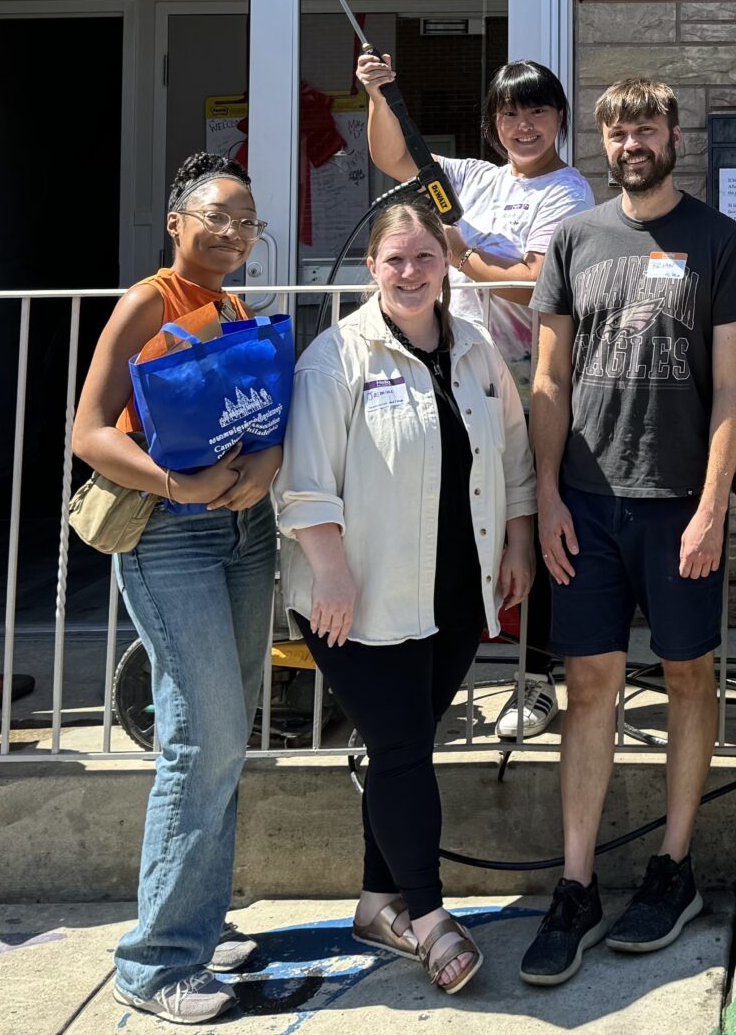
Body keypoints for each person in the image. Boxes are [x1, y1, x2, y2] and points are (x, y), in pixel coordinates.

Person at [519, 78, 736, 987]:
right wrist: (544, 495)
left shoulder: (721, 243)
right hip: (585, 501)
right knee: (589, 686)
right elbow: (548, 381)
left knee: (689, 673)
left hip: (678, 505)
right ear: (605, 142)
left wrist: (711, 506)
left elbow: (733, 393)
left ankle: (673, 868)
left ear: (673, 136)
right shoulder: (574, 240)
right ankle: (577, 883)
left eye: (646, 127)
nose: (631, 142)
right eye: (617, 130)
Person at [275, 201, 537, 994]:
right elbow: (306, 484)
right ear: (372, 270)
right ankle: (428, 918)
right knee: (398, 747)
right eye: (396, 260)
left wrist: (519, 541)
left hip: (455, 592)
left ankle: (376, 901)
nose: (413, 272)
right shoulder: (337, 357)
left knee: (404, 749)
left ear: (446, 262)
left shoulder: (477, 348)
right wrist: (332, 574)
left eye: (425, 257)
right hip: (358, 596)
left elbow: (515, 451)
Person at [71, 154, 284, 1026]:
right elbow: (88, 433)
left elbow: (260, 415)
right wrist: (174, 484)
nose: (233, 235)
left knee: (224, 729)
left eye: (247, 223)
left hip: (242, 531)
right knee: (204, 737)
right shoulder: (146, 302)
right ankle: (156, 963)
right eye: (217, 218)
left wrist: (267, 461)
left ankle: (198, 918)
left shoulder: (233, 308)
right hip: (170, 536)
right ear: (176, 222)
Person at [360, 51, 594, 742]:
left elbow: (536, 284)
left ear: (559, 119)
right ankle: (440, 676)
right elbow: (395, 159)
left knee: (539, 521)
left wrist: (461, 254)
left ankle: (536, 677)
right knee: (453, 521)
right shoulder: (471, 178)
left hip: (527, 383)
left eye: (537, 111)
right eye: (509, 112)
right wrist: (379, 94)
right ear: (494, 122)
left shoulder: (568, 191)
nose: (523, 125)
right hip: (455, 375)